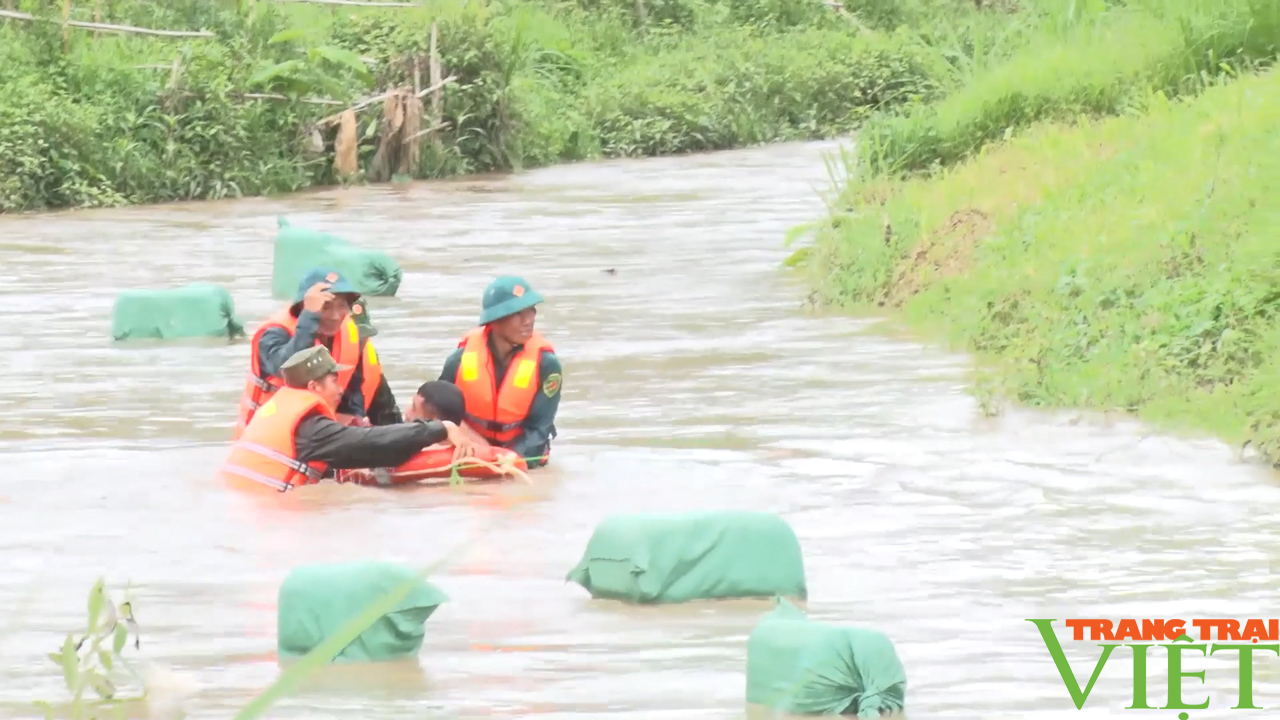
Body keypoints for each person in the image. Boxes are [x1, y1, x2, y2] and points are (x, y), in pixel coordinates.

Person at [220, 346, 478, 493]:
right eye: (334, 380)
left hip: (245, 505)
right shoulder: (309, 427)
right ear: (314, 386)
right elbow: (369, 443)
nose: (340, 389)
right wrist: (439, 429)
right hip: (263, 511)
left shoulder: (279, 408)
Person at [234, 268, 398, 439]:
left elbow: (352, 396)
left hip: (315, 435)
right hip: (266, 438)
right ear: (304, 307)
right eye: (326, 306)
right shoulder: (274, 333)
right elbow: (285, 367)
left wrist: (354, 432)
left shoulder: (350, 336)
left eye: (342, 306)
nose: (335, 316)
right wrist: (310, 317)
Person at [438, 276, 561, 469]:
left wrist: (512, 457)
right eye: (518, 313)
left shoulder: (546, 364)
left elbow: (539, 429)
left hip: (521, 453)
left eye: (531, 311)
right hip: (472, 448)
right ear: (494, 320)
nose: (528, 320)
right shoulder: (459, 360)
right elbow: (440, 413)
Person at [407, 380, 491, 448]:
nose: (407, 412)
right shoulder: (483, 448)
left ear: (435, 423)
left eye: (414, 408)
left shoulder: (413, 451)